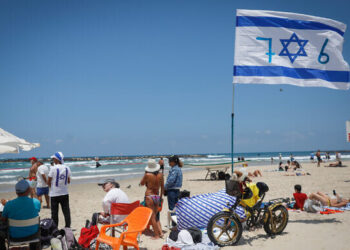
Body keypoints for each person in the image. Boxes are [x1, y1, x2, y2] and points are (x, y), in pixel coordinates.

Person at [1, 180, 41, 250]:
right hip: (33, 235)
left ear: (16, 192)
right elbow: (36, 206)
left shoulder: (9, 204)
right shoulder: (36, 202)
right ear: (28, 190)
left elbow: (3, 219)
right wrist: (33, 191)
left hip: (14, 237)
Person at [140, 159, 164, 239]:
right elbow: (163, 188)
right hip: (157, 196)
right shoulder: (161, 175)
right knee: (156, 215)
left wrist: (145, 174)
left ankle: (156, 235)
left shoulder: (147, 175)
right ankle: (160, 233)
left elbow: (142, 183)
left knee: (152, 216)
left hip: (149, 196)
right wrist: (160, 198)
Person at [48, 152, 71, 228]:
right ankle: (68, 226)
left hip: (54, 194)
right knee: (66, 211)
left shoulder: (53, 168)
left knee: (54, 213)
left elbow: (49, 181)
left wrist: (52, 186)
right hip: (64, 193)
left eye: (53, 158)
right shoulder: (67, 168)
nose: (53, 160)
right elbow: (68, 181)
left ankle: (55, 228)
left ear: (56, 159)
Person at [165, 155, 183, 221]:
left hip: (172, 190)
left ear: (174, 162)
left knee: (172, 208)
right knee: (176, 208)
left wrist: (165, 187)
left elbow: (171, 180)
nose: (169, 162)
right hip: (177, 190)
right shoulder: (178, 168)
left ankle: (174, 224)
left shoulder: (175, 169)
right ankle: (176, 223)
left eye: (170, 161)